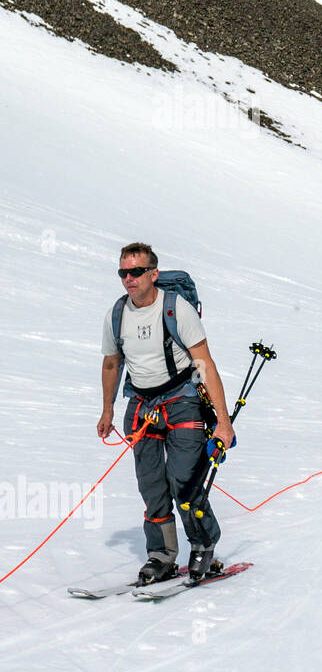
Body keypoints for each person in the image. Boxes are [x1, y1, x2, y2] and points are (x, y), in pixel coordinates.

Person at [97, 244, 235, 583]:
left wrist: (223, 421)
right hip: (141, 406)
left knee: (184, 480)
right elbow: (112, 362)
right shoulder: (117, 314)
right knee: (152, 486)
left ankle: (203, 545)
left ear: (153, 274)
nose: (128, 279)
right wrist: (108, 409)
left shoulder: (176, 309)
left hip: (182, 399)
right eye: (123, 273)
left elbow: (204, 363)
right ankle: (161, 555)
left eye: (136, 272)